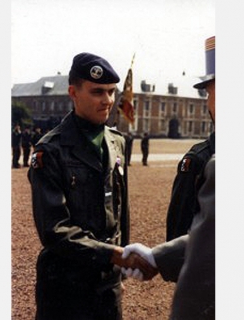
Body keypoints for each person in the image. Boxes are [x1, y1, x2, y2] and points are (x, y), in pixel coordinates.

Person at [27, 52, 156, 320]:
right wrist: (114, 255)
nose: (108, 100)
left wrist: (120, 267)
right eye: (98, 92)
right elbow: (53, 230)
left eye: (111, 92)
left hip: (107, 284)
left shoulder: (116, 142)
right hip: (65, 286)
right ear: (73, 92)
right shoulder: (50, 150)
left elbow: (122, 211)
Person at [121, 35, 216, 319]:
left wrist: (160, 258)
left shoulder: (208, 161)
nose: (208, 101)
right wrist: (159, 257)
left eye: (210, 93)